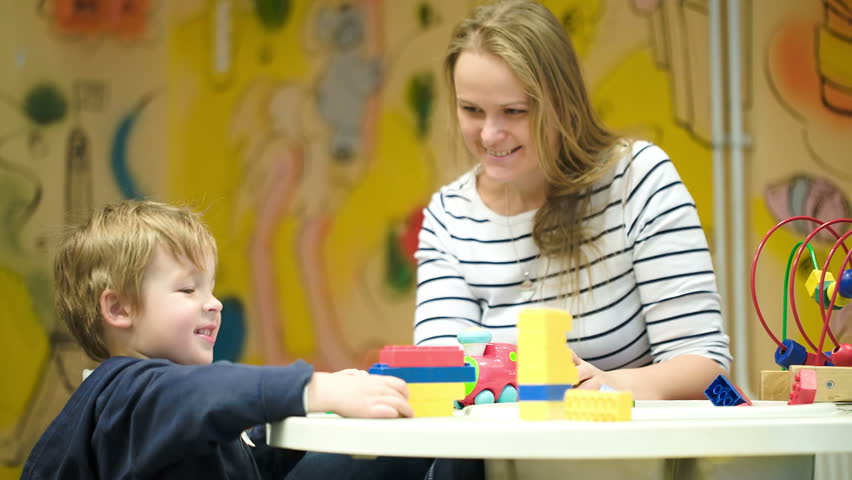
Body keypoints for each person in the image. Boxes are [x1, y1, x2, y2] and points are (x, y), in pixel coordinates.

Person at [415, 0, 732, 401]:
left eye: (514, 111)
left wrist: (613, 384)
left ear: (563, 104)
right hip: (492, 460)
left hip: (619, 452)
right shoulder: (448, 216)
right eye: (471, 109)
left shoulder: (636, 179)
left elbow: (705, 366)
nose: (490, 135)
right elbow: (441, 381)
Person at [22, 199, 415, 479]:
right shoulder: (127, 393)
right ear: (119, 309)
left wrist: (309, 415)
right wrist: (316, 388)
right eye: (188, 290)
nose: (214, 304)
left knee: (388, 457)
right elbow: (210, 392)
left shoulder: (183, 404)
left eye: (210, 289)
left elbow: (245, 462)